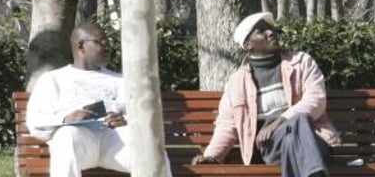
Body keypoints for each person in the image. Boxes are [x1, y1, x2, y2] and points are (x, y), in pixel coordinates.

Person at [192, 12, 340, 177]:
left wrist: (279, 121)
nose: (270, 32)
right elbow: (227, 125)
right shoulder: (236, 83)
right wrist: (211, 157)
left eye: (271, 29)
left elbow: (316, 99)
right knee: (292, 137)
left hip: (312, 141)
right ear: (248, 44)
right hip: (271, 148)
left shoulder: (301, 62)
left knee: (296, 127)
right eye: (261, 31)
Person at [25, 22, 172, 177]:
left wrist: (126, 120)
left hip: (115, 140)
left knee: (151, 147)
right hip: (80, 140)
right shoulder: (53, 80)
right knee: (65, 137)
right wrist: (66, 118)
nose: (107, 46)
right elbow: (36, 121)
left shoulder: (120, 80)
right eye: (101, 41)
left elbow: (142, 115)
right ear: (81, 46)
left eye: (108, 42)